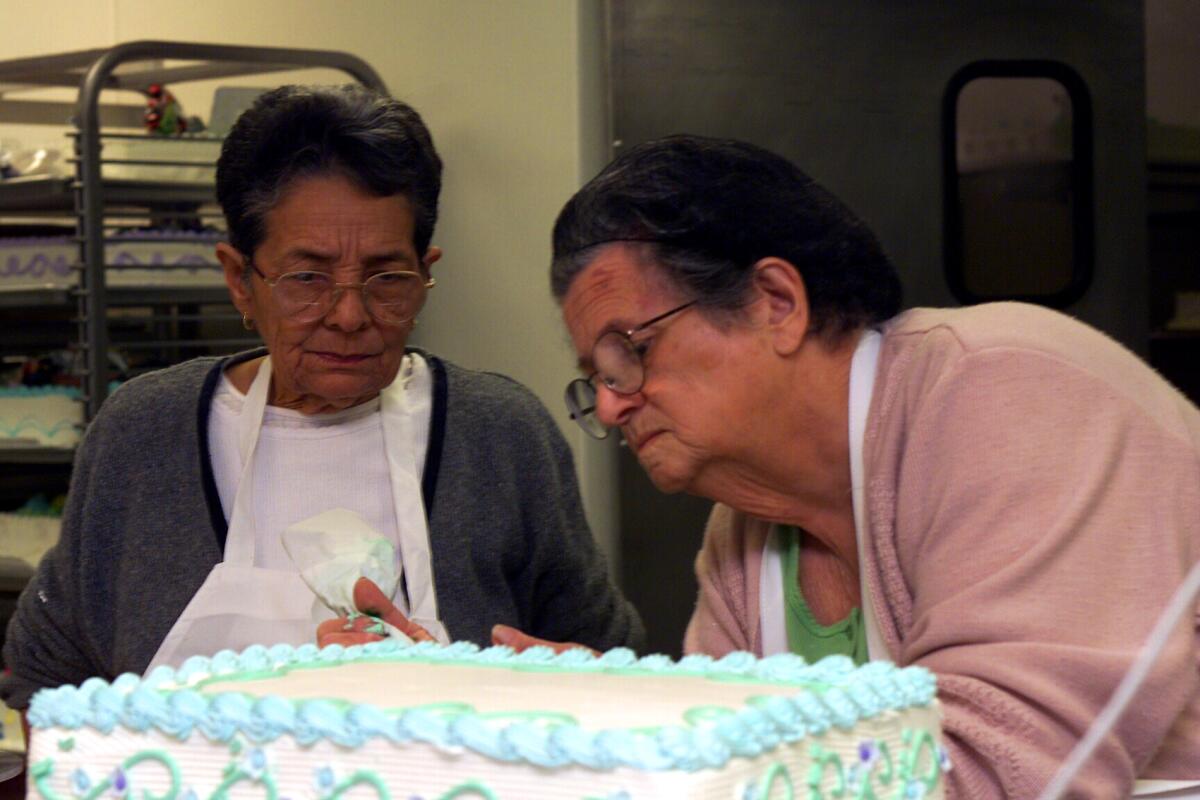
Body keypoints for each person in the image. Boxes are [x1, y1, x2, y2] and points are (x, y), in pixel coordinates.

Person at [548, 135, 1200, 798]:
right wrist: (619, 716)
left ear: (776, 301)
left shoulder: (1010, 393)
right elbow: (727, 750)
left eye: (629, 350)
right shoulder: (741, 535)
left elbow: (1000, 777)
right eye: (595, 378)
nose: (609, 402)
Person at [0, 85, 642, 712]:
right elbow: (46, 673)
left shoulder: (499, 434)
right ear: (239, 281)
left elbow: (607, 664)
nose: (349, 314)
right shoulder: (145, 433)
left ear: (426, 273)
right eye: (307, 278)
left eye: (387, 278)